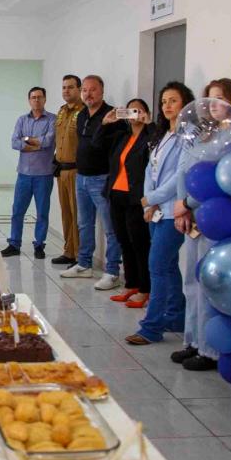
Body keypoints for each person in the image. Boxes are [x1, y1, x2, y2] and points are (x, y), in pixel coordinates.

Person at [171, 78, 231, 370]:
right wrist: (181, 208)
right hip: (189, 216)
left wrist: (188, 205)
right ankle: (192, 340)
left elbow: (219, 181)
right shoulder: (200, 135)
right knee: (190, 282)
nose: (214, 106)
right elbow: (182, 172)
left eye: (221, 99)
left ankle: (210, 349)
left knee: (208, 282)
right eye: (210, 100)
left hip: (213, 217)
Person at [126, 81, 195, 346]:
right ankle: (176, 316)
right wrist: (149, 204)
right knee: (166, 266)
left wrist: (152, 199)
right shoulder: (162, 134)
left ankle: (151, 327)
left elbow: (181, 174)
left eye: (173, 101)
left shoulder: (189, 136)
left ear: (185, 104)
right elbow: (150, 170)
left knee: (156, 265)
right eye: (164, 101)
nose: (167, 106)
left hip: (174, 211)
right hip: (156, 211)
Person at [61, 75, 124, 289]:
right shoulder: (82, 116)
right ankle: (84, 264)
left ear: (102, 91)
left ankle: (112, 271)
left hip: (102, 178)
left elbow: (104, 147)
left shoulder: (112, 116)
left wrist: (105, 125)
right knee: (84, 224)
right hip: (82, 177)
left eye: (93, 90)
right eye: (85, 90)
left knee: (110, 227)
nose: (88, 94)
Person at [94, 99, 153, 307]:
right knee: (124, 241)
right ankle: (131, 285)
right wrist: (105, 122)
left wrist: (149, 123)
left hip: (136, 197)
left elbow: (158, 147)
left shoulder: (150, 137)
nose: (134, 115)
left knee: (140, 243)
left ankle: (145, 288)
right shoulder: (123, 136)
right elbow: (97, 145)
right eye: (131, 110)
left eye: (139, 110)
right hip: (116, 194)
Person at [1, 87, 57, 259]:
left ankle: (39, 245)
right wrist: (34, 143)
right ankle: (14, 244)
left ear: (45, 99)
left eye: (39, 97)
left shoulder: (53, 119)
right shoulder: (21, 120)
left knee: (42, 212)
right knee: (17, 210)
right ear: (29, 100)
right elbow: (14, 142)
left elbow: (48, 141)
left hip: (44, 174)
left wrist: (27, 140)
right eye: (33, 97)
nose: (36, 100)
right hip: (24, 174)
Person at [51, 75, 85, 266]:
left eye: (70, 87)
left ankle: (79, 255)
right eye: (64, 87)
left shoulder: (83, 112)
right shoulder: (62, 111)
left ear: (79, 89)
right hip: (61, 170)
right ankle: (68, 251)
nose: (66, 91)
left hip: (76, 170)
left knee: (77, 213)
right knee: (66, 213)